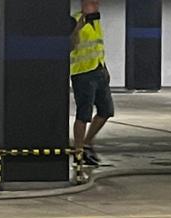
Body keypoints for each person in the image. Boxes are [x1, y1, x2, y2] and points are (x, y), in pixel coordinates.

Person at [70, 0, 113, 166]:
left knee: (106, 110)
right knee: (84, 114)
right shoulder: (74, 20)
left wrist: (105, 68)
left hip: (99, 71)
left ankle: (87, 143)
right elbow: (69, 45)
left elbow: (98, 48)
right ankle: (78, 151)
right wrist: (76, 30)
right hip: (82, 74)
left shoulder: (96, 22)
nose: (97, 5)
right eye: (93, 2)